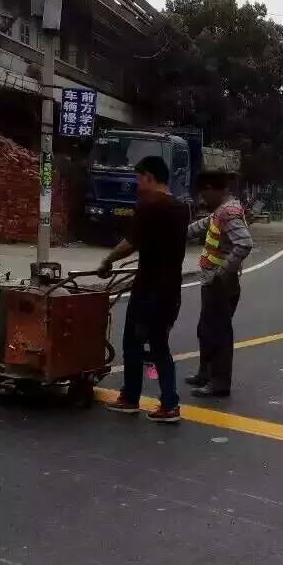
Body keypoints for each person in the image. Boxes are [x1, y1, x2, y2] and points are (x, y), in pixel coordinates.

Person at [99, 156, 189, 422]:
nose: (136, 185)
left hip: (149, 289)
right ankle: (170, 403)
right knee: (160, 345)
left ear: (149, 177)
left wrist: (107, 260)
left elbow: (131, 242)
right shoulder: (181, 207)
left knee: (133, 344)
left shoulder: (150, 205)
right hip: (171, 289)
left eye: (138, 179)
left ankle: (130, 397)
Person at [186, 171, 253, 398]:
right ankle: (205, 373)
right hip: (212, 281)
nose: (203, 200)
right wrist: (175, 233)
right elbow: (202, 226)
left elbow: (244, 243)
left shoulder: (228, 212)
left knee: (218, 333)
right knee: (205, 330)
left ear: (212, 189)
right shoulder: (220, 211)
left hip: (220, 284)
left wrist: (222, 272)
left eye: (204, 194)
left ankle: (220, 382)